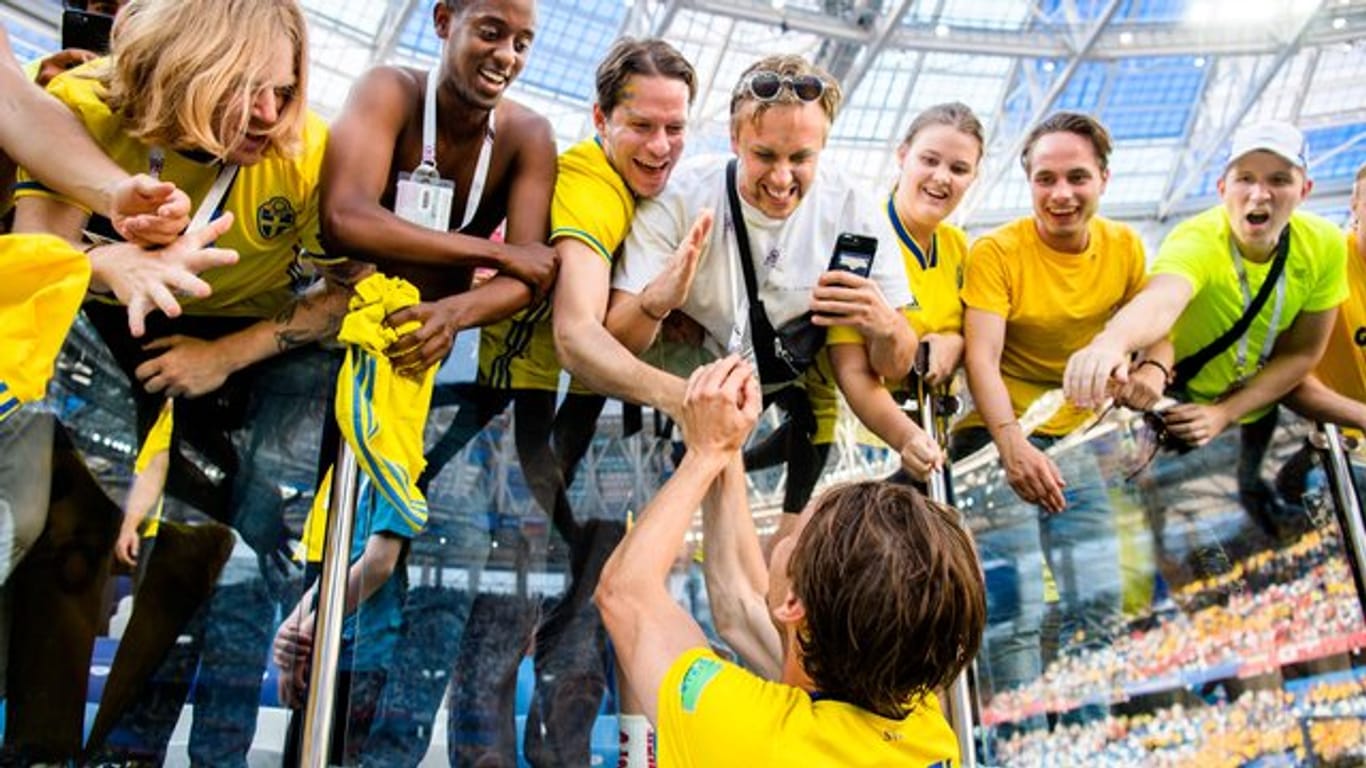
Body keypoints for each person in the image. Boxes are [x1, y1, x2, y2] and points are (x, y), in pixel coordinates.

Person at [12, 0, 357, 762]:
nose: (270, 114)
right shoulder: (78, 107)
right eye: (244, 91)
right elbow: (40, 256)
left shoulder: (308, 154)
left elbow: (343, 294)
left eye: (285, 89)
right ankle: (39, 750)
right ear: (186, 70)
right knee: (70, 540)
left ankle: (124, 753)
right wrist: (115, 264)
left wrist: (226, 355)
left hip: (241, 341)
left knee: (198, 559)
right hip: (98, 308)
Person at [311, 0, 567, 762]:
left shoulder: (527, 135)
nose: (507, 55)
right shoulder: (388, 90)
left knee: (429, 574)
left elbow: (533, 273)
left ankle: (382, 752)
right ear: (442, 19)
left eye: (523, 41)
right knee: (342, 556)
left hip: (440, 369)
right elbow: (345, 217)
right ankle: (316, 723)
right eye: (491, 30)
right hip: (344, 351)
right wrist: (479, 256)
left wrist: (454, 310)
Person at [609, 55, 942, 542]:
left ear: (823, 147)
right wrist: (657, 302)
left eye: (801, 158)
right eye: (765, 155)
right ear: (734, 140)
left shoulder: (851, 207)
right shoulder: (681, 198)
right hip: (684, 394)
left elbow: (881, 368)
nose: (783, 180)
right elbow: (617, 338)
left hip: (785, 394)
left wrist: (887, 327)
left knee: (750, 560)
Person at [595, 354, 986, 767]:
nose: (788, 532)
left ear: (794, 602)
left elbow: (625, 594)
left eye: (799, 533)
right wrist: (725, 447)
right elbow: (741, 602)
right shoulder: (920, 720)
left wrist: (704, 455)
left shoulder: (751, 737)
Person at [1064, 121, 1347, 544]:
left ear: (1304, 190)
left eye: (1279, 180)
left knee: (1252, 486)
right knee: (1153, 519)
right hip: (1174, 412)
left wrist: (1224, 413)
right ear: (1221, 188)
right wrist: (1111, 344)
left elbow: (1303, 354)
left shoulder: (1323, 244)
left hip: (1253, 409)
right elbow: (1161, 301)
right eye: (1245, 179)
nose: (1259, 193)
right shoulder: (1196, 240)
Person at [954, 112, 1141, 722]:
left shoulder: (1124, 247)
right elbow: (980, 358)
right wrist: (1012, 448)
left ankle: (1088, 744)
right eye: (1045, 179)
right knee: (1015, 614)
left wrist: (1145, 374)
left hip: (1075, 445)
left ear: (1104, 180)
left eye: (1077, 177)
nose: (1061, 194)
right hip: (993, 443)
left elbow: (1151, 332)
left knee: (1100, 600)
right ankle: (1021, 748)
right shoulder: (998, 252)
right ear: (1029, 182)